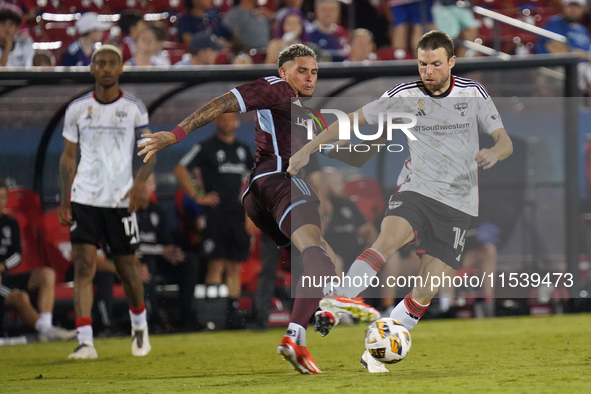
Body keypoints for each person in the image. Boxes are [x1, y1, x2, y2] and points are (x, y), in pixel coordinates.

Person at [138, 43, 379, 374]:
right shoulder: (275, 87)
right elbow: (221, 103)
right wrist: (176, 134)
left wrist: (387, 128)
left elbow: (352, 153)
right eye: (301, 70)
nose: (310, 78)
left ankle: (315, 318)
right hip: (279, 181)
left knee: (321, 255)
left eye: (314, 72)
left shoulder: (306, 114)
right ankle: (311, 320)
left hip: (260, 193)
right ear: (283, 71)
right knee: (316, 251)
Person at [288, 30, 513, 368]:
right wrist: (307, 148)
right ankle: (339, 301)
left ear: (451, 62)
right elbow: (351, 121)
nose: (428, 71)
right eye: (423, 64)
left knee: (426, 289)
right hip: (416, 189)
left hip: (459, 203)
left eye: (436, 64)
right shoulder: (403, 95)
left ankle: (375, 351)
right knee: (386, 241)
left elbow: (504, 141)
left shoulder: (473, 93)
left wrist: (495, 153)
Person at [58, 44, 155, 359]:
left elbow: (149, 151)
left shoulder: (135, 107)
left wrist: (140, 183)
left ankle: (139, 325)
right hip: (84, 198)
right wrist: (65, 197)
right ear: (92, 69)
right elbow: (68, 157)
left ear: (121, 68)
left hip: (120, 200)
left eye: (113, 63)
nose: (107, 68)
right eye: (101, 63)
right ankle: (85, 341)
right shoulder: (77, 109)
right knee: (84, 265)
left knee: (127, 269)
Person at [174, 112, 254, 327]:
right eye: (223, 118)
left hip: (237, 213)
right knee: (216, 264)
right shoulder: (205, 147)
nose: (227, 122)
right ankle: (212, 315)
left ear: (237, 121)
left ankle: (232, 314)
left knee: (235, 265)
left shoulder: (244, 149)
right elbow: (180, 168)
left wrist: (251, 213)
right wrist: (197, 196)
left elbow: (254, 182)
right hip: (215, 213)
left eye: (231, 118)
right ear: (217, 121)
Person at [0, 179, 75, 341]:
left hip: (6, 275)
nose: (1, 202)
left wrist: (2, 266)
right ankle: (49, 332)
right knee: (21, 298)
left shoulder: (10, 223)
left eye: (4, 197)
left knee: (47, 274)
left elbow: (17, 255)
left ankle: (45, 330)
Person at [136, 173, 200, 329]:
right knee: (148, 263)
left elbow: (166, 242)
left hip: (158, 259)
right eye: (142, 183)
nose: (146, 187)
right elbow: (130, 246)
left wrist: (174, 252)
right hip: (137, 260)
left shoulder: (158, 211)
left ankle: (186, 317)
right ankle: (151, 318)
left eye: (149, 183)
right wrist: (161, 250)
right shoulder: (128, 212)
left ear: (154, 187)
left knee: (189, 261)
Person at [536, 0, 591, 96]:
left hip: (582, 67)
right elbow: (555, 49)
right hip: (557, 66)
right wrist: (578, 54)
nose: (573, 10)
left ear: (583, 9)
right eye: (570, 6)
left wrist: (583, 55)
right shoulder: (554, 23)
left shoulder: (583, 30)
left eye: (576, 7)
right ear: (564, 7)